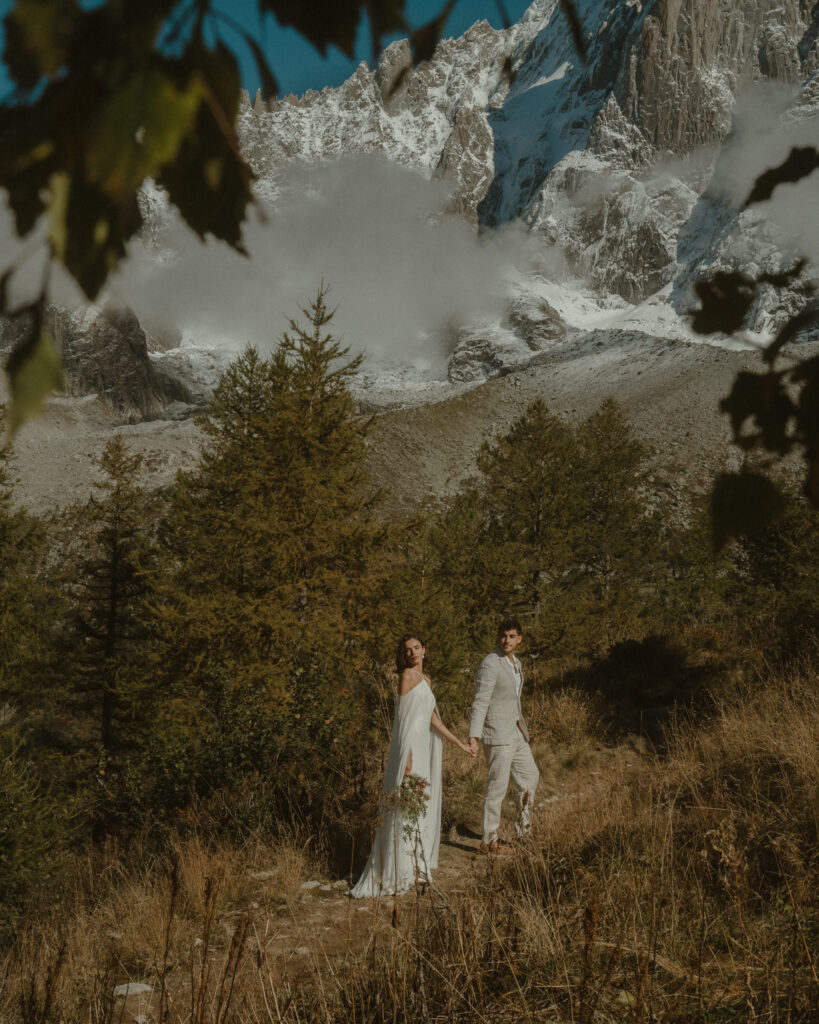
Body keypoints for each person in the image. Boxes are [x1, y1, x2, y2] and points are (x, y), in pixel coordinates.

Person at [352, 634, 475, 898]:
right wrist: (405, 755)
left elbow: (433, 720)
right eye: (407, 650)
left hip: (422, 745)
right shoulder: (406, 676)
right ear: (403, 655)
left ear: (424, 650)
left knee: (420, 804)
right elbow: (403, 718)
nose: (412, 653)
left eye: (416, 648)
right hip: (408, 748)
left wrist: (460, 744)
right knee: (405, 804)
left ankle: (415, 866)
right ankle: (398, 870)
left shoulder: (427, 681)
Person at [468, 618, 539, 855]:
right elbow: (480, 701)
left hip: (516, 731)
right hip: (497, 733)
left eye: (511, 636)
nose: (506, 640)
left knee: (530, 777)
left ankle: (523, 831)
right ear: (498, 637)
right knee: (497, 786)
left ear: (520, 638)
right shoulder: (490, 663)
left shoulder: (515, 662)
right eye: (503, 635)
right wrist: (474, 735)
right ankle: (489, 840)